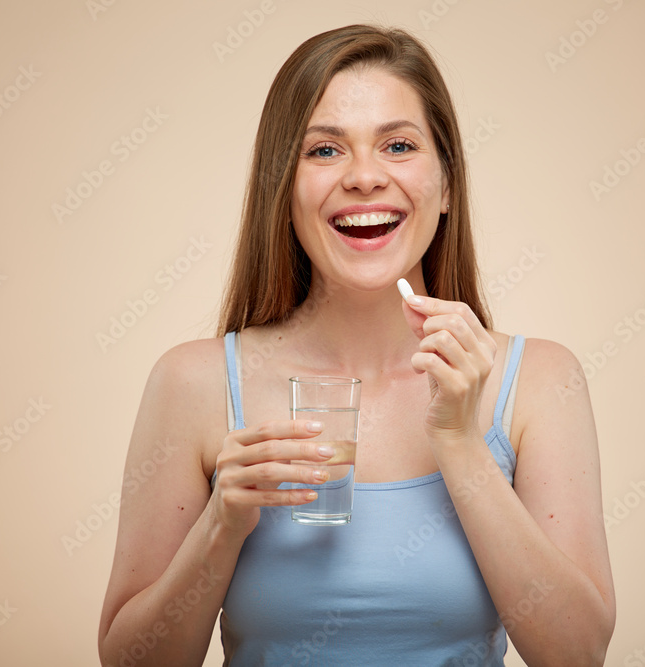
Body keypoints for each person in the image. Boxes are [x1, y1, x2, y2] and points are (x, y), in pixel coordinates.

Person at [98, 23, 615, 666]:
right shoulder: (193, 384)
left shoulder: (539, 381)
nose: (365, 177)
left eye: (398, 145)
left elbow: (577, 655)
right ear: (282, 189)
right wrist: (219, 528)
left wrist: (460, 444)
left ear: (447, 183)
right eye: (323, 151)